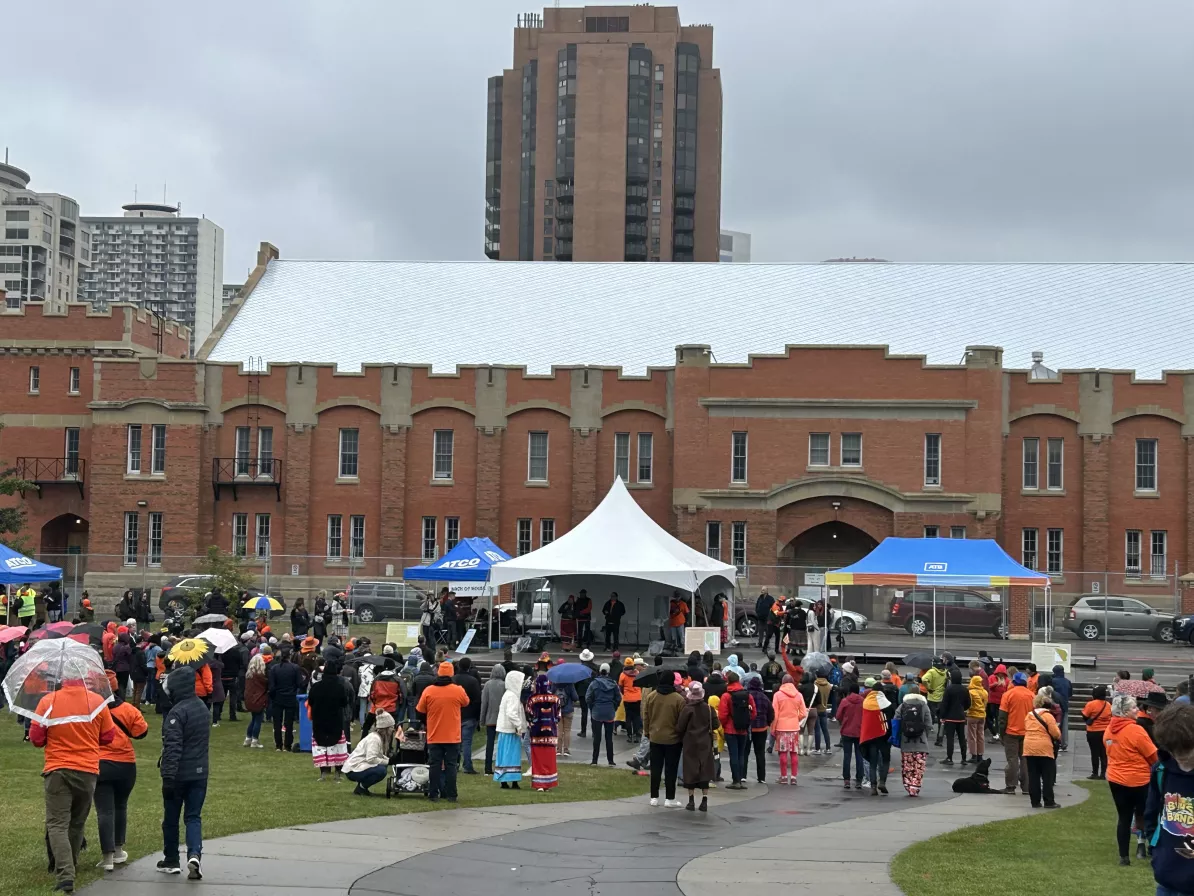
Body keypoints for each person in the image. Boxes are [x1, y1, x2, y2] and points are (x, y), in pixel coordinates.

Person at [29, 665, 118, 892]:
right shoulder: (97, 702)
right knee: (77, 822)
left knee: (57, 824)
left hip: (57, 770)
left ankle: (65, 874)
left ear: (61, 678)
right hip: (88, 770)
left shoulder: (48, 701)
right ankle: (72, 865)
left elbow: (37, 738)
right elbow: (108, 736)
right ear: (84, 678)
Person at [158, 664, 211, 880]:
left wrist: (168, 777)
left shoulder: (177, 713)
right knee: (193, 816)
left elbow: (173, 747)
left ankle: (171, 858)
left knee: (171, 818)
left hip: (179, 773)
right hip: (200, 772)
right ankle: (194, 854)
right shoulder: (202, 708)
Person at [94, 669, 148, 872]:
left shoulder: (92, 712)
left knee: (104, 811)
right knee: (121, 807)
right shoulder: (128, 710)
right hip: (126, 764)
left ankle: (107, 857)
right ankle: (118, 850)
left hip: (101, 764)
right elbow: (141, 732)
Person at [1145, 702, 1194, 894]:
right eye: (1174, 750)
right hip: (1168, 878)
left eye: (1185, 750)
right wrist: (1157, 851)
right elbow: (1152, 812)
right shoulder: (1162, 770)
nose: (1180, 757)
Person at [1105, 694, 1159, 865]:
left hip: (1116, 779)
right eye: (1134, 707)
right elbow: (1153, 756)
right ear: (1125, 711)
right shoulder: (1136, 730)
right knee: (1147, 815)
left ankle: (1124, 857)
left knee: (1124, 817)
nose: (1138, 710)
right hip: (1139, 780)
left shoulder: (1109, 730)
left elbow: (1109, 752)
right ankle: (1150, 849)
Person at [416, 662, 470, 802]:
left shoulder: (429, 690)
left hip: (434, 734)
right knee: (451, 765)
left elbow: (420, 710)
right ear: (452, 674)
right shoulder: (458, 690)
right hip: (453, 735)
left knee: (434, 764)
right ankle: (451, 794)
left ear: (438, 673)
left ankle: (433, 794)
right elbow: (466, 703)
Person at [644, 671, 686, 807]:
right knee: (670, 769)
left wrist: (647, 731)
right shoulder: (679, 699)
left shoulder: (651, 697)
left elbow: (646, 716)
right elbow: (682, 721)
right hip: (673, 739)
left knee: (655, 768)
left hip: (655, 736)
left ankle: (654, 797)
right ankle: (670, 798)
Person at [677, 681, 718, 810]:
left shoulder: (687, 709)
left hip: (690, 743)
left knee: (690, 771)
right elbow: (716, 725)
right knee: (704, 770)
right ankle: (704, 800)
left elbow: (680, 727)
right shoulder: (709, 708)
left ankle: (691, 801)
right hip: (705, 742)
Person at [308, 660, 350, 782]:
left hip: (319, 720)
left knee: (321, 746)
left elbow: (310, 701)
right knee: (337, 746)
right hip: (335, 720)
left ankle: (323, 773)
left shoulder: (316, 687)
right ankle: (338, 773)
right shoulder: (339, 687)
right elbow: (344, 702)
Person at [343, 710, 397, 795]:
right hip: (353, 769)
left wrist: (390, 760)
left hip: (357, 766)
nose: (393, 730)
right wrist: (389, 761)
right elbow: (371, 759)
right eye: (391, 727)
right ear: (385, 728)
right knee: (381, 771)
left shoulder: (377, 737)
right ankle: (361, 788)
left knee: (382, 767)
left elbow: (378, 755)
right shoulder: (374, 739)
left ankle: (361, 788)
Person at [717, 670, 756, 790]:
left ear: (728, 681)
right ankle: (740, 779)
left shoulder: (726, 696)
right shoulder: (747, 695)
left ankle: (735, 781)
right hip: (743, 729)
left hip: (730, 729)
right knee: (741, 755)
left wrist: (723, 725)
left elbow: (722, 715)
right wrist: (747, 722)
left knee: (733, 755)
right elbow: (753, 713)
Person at [1023, 690, 1062, 809]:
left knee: (1033, 775)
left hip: (1029, 747)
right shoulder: (1048, 716)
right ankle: (1049, 801)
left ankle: (1035, 801)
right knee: (1047, 776)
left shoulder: (1029, 715)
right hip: (1044, 748)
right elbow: (1055, 734)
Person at [998, 672, 1034, 794]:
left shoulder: (1008, 695)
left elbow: (1002, 717)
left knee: (1012, 760)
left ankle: (1011, 786)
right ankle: (1027, 787)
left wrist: (1001, 734)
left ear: (1014, 682)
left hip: (1011, 732)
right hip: (1027, 732)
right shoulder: (1032, 695)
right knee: (1025, 760)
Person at [526, 674, 562, 791]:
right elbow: (558, 716)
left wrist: (532, 723)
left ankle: (539, 785)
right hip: (551, 734)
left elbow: (528, 715)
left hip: (537, 734)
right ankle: (549, 783)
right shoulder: (555, 699)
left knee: (538, 759)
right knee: (549, 759)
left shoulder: (532, 699)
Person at [893, 689, 932, 797]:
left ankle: (908, 785)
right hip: (921, 742)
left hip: (906, 742)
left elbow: (896, 721)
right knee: (919, 767)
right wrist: (925, 736)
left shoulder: (902, 706)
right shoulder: (924, 705)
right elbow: (929, 724)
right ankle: (915, 787)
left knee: (907, 766)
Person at [771, 674, 808, 785]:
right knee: (793, 752)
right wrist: (795, 718)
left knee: (783, 753)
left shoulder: (777, 695)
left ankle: (783, 777)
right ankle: (793, 777)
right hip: (794, 727)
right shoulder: (798, 695)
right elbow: (803, 713)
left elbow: (775, 714)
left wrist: (773, 727)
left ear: (782, 682)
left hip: (781, 727)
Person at [495, 669, 528, 788]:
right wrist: (519, 725)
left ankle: (504, 779)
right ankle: (512, 779)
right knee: (512, 756)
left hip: (505, 729)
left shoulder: (508, 694)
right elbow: (511, 713)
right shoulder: (513, 696)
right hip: (511, 730)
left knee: (504, 755)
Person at [267, 647, 303, 752]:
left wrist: (273, 696)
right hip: (290, 697)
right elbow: (299, 683)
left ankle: (278, 745)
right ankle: (287, 745)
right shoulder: (295, 668)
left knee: (277, 723)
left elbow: (272, 686)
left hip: (278, 697)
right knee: (289, 723)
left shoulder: (274, 668)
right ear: (289, 656)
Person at [586, 663, 622, 767]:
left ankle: (594, 760)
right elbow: (618, 698)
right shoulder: (613, 684)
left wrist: (592, 707)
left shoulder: (594, 683)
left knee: (597, 738)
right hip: (609, 712)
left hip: (597, 712)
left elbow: (588, 697)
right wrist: (613, 707)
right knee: (609, 738)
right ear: (608, 672)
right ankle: (610, 760)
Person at [454, 657, 483, 774]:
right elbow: (477, 700)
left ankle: (455, 764)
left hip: (456, 714)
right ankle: (467, 765)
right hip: (469, 714)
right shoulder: (473, 681)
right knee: (467, 742)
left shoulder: (453, 680)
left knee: (455, 742)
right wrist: (477, 717)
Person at [940, 668, 971, 766]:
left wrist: (942, 715)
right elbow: (968, 703)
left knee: (950, 738)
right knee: (962, 738)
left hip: (950, 717)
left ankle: (949, 758)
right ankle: (964, 758)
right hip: (961, 717)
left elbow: (944, 704)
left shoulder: (949, 689)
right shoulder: (964, 689)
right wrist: (962, 709)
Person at [479, 664, 507, 775]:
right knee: (502, 744)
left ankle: (487, 768)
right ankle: (501, 766)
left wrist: (482, 719)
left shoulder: (487, 685)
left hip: (490, 719)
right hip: (502, 719)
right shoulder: (505, 685)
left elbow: (484, 703)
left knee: (489, 744)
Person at [837, 682, 864, 790]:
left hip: (846, 731)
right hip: (859, 731)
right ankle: (859, 780)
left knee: (847, 756)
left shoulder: (845, 701)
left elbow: (838, 715)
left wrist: (843, 722)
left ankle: (846, 780)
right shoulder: (863, 702)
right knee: (859, 756)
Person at [1082, 684, 1113, 779]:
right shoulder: (1108, 705)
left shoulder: (1091, 704)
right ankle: (1103, 773)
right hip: (1106, 732)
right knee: (1104, 753)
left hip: (1093, 732)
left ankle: (1095, 773)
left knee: (1094, 753)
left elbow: (1085, 716)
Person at [746, 678, 774, 782]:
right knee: (760, 753)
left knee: (745, 752)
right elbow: (771, 712)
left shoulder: (747, 696)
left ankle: (743, 776)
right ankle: (761, 777)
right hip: (762, 728)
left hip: (749, 728)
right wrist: (768, 723)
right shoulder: (765, 697)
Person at [242, 652, 268, 748]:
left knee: (253, 719)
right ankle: (254, 740)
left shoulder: (249, 675)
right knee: (258, 720)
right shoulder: (260, 676)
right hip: (258, 699)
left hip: (249, 699)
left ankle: (248, 739)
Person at [922, 659, 947, 746]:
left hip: (932, 698)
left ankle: (924, 736)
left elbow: (924, 679)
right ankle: (939, 739)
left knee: (928, 717)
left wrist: (928, 688)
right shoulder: (945, 672)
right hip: (941, 698)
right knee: (941, 720)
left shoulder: (932, 671)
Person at [966, 674, 988, 768]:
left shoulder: (971, 692)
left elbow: (969, 705)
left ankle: (973, 755)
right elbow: (985, 704)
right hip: (982, 715)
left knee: (972, 736)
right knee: (981, 735)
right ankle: (980, 754)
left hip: (972, 715)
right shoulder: (985, 692)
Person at [619, 658, 643, 743]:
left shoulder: (623, 675)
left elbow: (620, 686)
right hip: (637, 698)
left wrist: (625, 693)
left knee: (628, 717)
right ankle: (637, 735)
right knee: (636, 716)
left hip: (627, 698)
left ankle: (629, 736)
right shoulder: (637, 673)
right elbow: (641, 684)